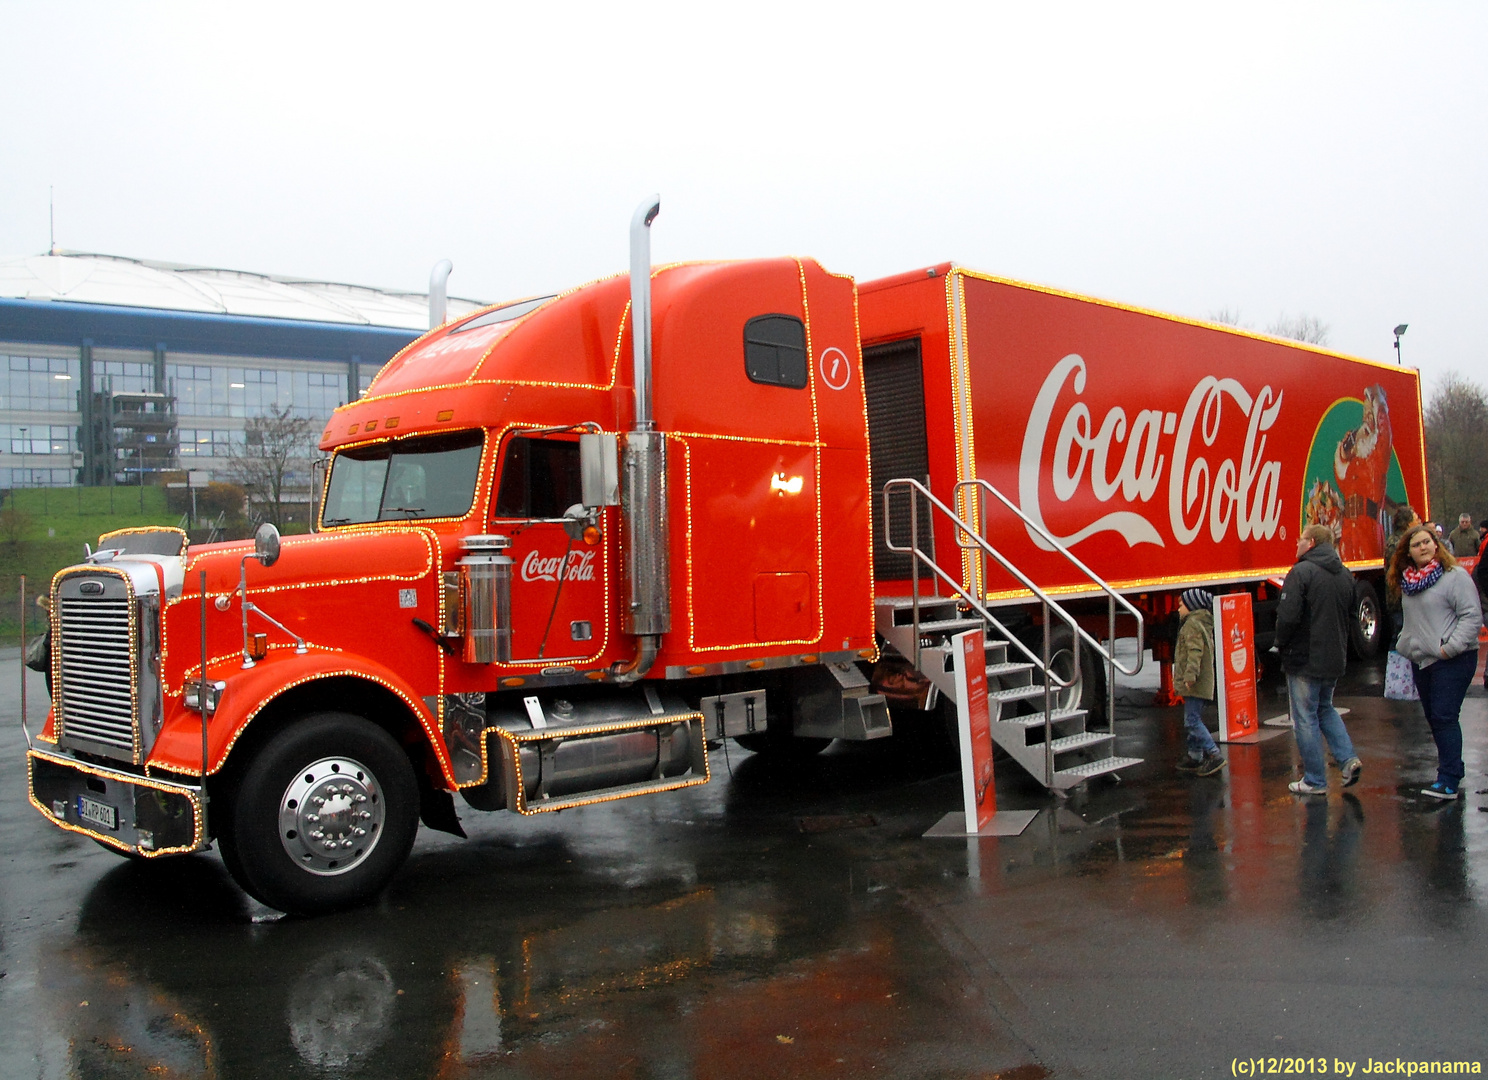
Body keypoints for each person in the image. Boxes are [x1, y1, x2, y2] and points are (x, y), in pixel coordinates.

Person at [1388, 524, 1483, 800]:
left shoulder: (1454, 577)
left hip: (1454, 658)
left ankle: (1450, 779)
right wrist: (1405, 644)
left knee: (1444, 715)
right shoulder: (1408, 582)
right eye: (1416, 545)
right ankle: (1449, 772)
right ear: (1408, 552)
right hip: (1422, 660)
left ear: (1436, 544)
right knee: (1434, 718)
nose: (1423, 547)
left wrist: (1450, 648)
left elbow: (1471, 616)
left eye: (1427, 542)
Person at [1275, 523, 1362, 795]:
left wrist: (1280, 643)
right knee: (1325, 708)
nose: (1296, 544)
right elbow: (1350, 616)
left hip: (1304, 656)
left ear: (1311, 543)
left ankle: (1314, 779)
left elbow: (1288, 617)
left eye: (1300, 539)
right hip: (1334, 656)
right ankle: (1348, 760)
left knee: (1306, 717)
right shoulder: (1345, 574)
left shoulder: (1300, 572)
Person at [1173, 588, 1225, 776]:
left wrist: (1190, 677)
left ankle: (1213, 754)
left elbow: (1195, 652)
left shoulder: (1192, 625)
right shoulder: (1200, 623)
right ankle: (1194, 755)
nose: (1178, 609)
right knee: (1194, 717)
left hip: (1196, 683)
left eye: (1181, 605)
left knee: (1192, 720)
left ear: (1193, 607)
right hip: (1200, 682)